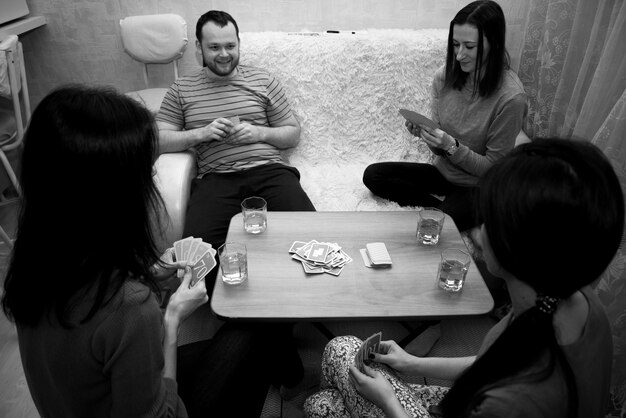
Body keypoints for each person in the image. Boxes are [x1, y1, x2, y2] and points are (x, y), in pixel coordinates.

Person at [1, 85, 274, 417]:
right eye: (148, 171)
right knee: (257, 332)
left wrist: (150, 273)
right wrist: (172, 319)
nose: (153, 179)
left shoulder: (35, 259)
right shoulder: (131, 306)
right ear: (115, 195)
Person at [304, 138, 622, 417]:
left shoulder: (512, 404)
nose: (477, 231)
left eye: (489, 220)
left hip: (471, 407)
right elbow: (491, 361)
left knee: (335, 362)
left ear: (520, 250)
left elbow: (501, 386)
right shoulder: (567, 296)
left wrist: (389, 402)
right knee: (324, 401)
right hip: (468, 398)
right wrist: (411, 363)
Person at [157, 10, 315, 253]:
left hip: (270, 173)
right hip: (216, 180)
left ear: (239, 43)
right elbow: (158, 140)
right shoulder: (182, 89)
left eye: (230, 45)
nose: (224, 54)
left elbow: (292, 134)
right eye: (214, 47)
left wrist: (260, 133)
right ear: (199, 48)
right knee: (196, 254)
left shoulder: (263, 80)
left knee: (312, 238)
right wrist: (200, 134)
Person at [363, 0, 527, 233]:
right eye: (455, 44)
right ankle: (442, 209)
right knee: (373, 175)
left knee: (438, 226)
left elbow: (492, 169)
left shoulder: (511, 98)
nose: (459, 56)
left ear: (495, 44)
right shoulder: (445, 77)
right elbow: (440, 150)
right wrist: (428, 135)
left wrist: (452, 146)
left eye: (469, 47)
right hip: (443, 173)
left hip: (479, 185)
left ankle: (451, 213)